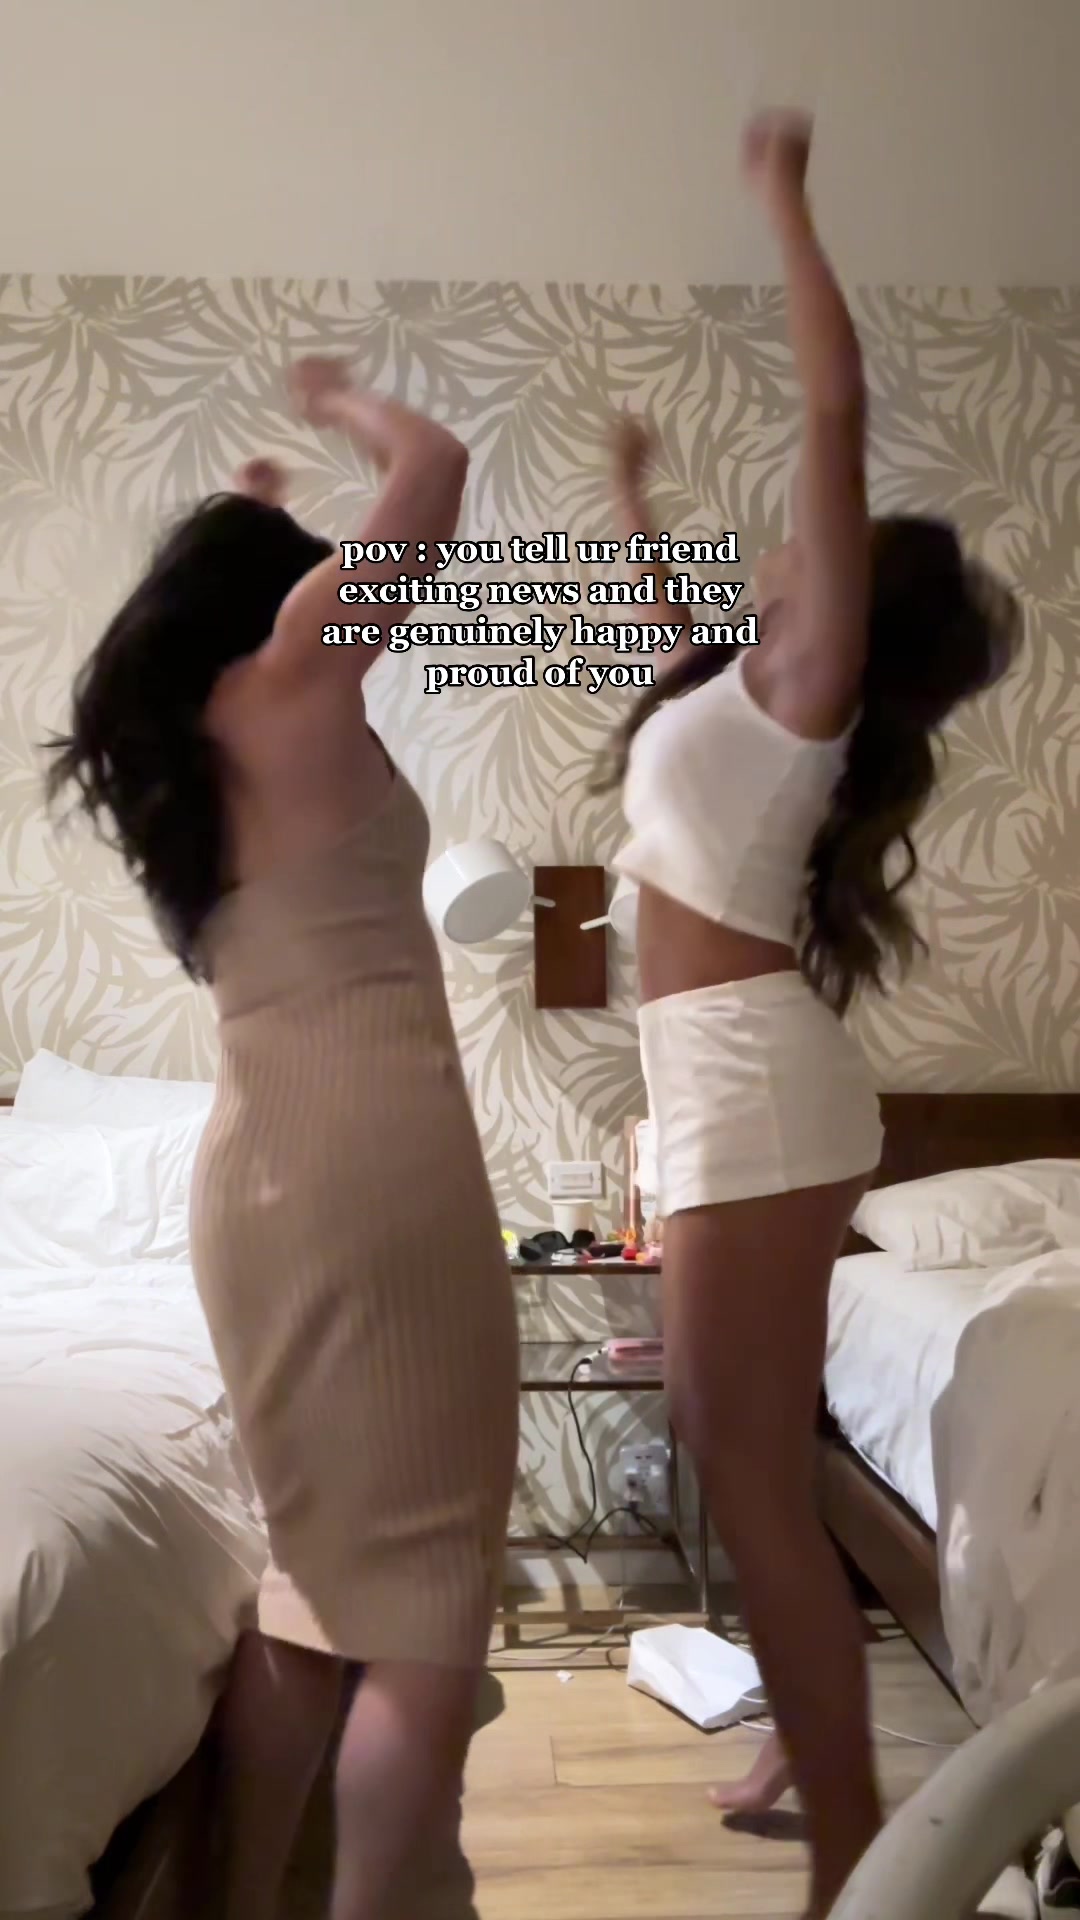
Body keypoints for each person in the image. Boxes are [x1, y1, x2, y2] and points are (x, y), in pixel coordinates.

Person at [599, 110, 1021, 1920]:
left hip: (754, 1091)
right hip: (725, 1083)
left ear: (850, 598)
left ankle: (855, 1844)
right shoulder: (745, 700)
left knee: (743, 1454)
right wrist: (633, 500)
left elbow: (833, 416)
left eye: (808, 543)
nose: (779, 549)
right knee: (739, 1444)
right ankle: (813, 1749)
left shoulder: (810, 690)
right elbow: (667, 638)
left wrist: (783, 202)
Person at [45, 359, 520, 1920]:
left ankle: (244, 1898)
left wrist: (249, 506)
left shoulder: (196, 749)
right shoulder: (300, 679)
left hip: (258, 1178)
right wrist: (349, 405)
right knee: (430, 1606)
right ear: (286, 601)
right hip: (375, 1163)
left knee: (316, 1589)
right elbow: (435, 469)